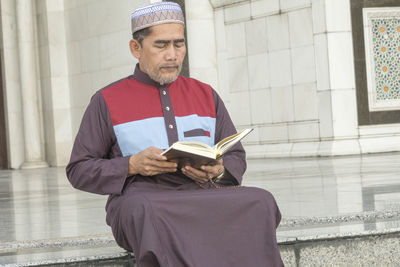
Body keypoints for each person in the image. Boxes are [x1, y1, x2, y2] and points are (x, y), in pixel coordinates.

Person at [66, 2, 283, 266]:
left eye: (178, 45)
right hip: (143, 198)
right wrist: (131, 165)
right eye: (161, 45)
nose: (172, 55)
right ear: (136, 48)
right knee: (146, 211)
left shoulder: (205, 94)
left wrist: (219, 171)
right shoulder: (106, 100)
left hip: (204, 193)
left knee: (260, 200)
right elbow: (79, 169)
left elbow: (235, 154)